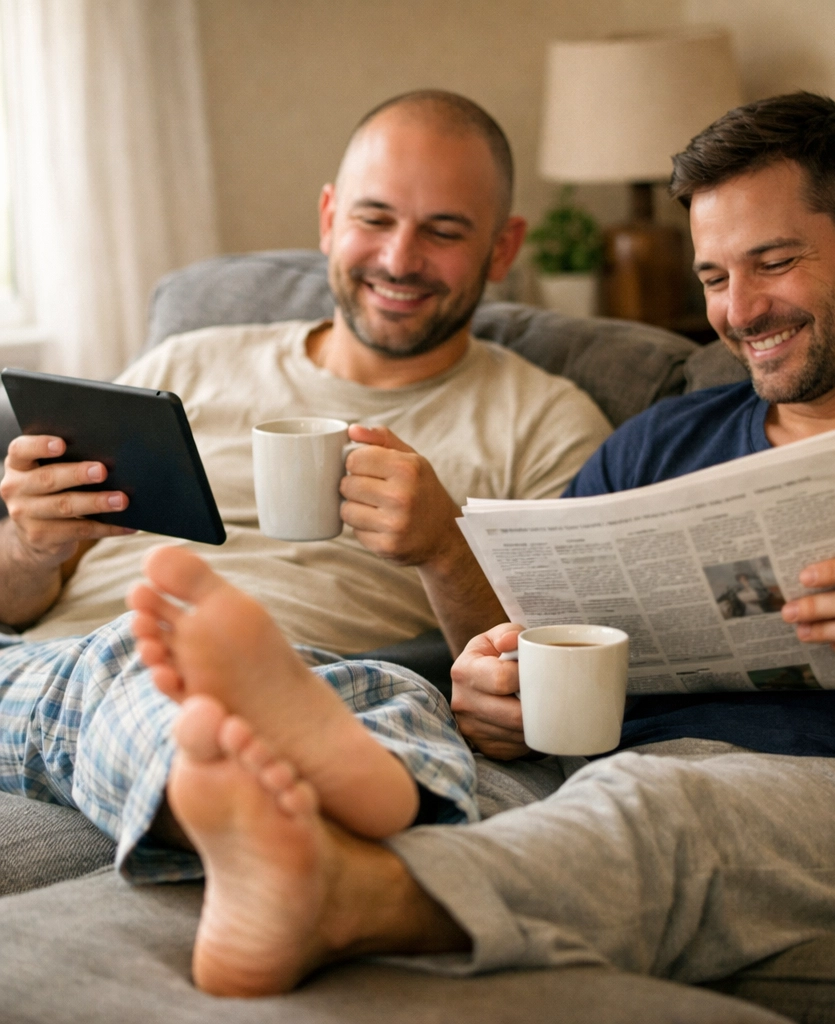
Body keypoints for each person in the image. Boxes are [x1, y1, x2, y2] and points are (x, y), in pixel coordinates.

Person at [121, 92, 835, 999]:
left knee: (662, 810)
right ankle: (307, 845)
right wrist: (490, 692)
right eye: (713, 278)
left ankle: (339, 898)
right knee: (426, 764)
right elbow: (520, 635)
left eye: (774, 263)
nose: (739, 311)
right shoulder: (660, 441)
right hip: (594, 769)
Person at [0, 93, 610, 878]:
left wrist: (446, 549)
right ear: (328, 218)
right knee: (140, 656)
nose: (398, 259)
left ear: (502, 248)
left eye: (444, 231)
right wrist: (29, 545)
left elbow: (545, 678)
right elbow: (14, 604)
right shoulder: (184, 364)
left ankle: (271, 804)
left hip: (342, 680)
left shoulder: (549, 423)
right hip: (68, 659)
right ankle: (280, 807)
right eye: (374, 219)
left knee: (391, 708)